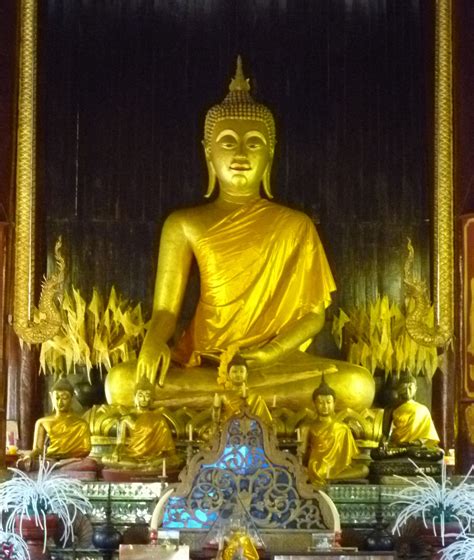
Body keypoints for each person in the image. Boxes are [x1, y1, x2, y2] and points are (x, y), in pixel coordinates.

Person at [105, 57, 375, 412]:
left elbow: (313, 316)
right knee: (122, 383)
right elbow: (166, 310)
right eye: (228, 142)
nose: (241, 154)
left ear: (271, 154)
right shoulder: (184, 223)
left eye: (254, 143)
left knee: (356, 385)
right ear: (208, 153)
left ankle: (229, 402)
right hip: (206, 363)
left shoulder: (296, 225)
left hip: (274, 365)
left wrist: (269, 353)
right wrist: (154, 341)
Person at [101, 377, 178, 471]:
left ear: (152, 398)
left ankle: (141, 465)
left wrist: (163, 455)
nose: (144, 399)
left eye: (147, 395)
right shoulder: (127, 418)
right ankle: (144, 466)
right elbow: (120, 442)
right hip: (131, 455)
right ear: (135, 398)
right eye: (140, 395)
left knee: (173, 460)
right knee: (105, 459)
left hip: (154, 456)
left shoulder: (158, 419)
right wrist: (116, 452)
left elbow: (167, 449)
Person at [302, 377, 368, 484]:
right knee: (302, 471)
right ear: (314, 403)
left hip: (338, 470)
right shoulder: (308, 427)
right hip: (316, 468)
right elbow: (303, 455)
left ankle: (330, 478)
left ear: (334, 403)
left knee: (364, 469)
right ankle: (326, 477)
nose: (325, 406)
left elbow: (351, 457)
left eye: (328, 402)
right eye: (321, 402)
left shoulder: (342, 428)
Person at [30, 377, 91, 461]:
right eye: (57, 398)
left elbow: (86, 449)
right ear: (51, 397)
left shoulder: (81, 425)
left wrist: (66, 456)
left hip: (72, 461)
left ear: (72, 398)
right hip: (50, 460)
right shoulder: (42, 422)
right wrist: (29, 456)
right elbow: (37, 449)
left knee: (90, 465)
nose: (60, 402)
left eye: (64, 398)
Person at [219, 355, 273, 427]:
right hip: (229, 431)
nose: (238, 374)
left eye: (241, 371)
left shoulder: (255, 397)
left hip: (252, 432)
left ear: (246, 374)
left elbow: (266, 422)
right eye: (234, 371)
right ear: (228, 375)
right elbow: (216, 417)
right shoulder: (223, 395)